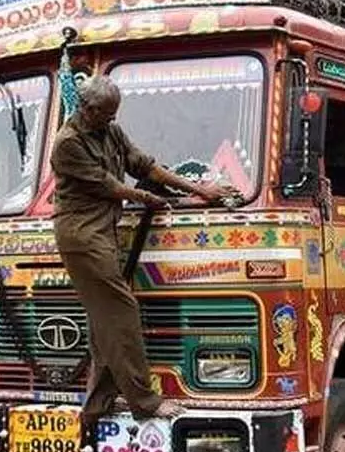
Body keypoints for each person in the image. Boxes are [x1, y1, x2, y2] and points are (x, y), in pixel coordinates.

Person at [50, 76, 231, 422]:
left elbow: (143, 165)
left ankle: (98, 404)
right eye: (106, 113)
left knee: (104, 321)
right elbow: (111, 187)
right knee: (120, 313)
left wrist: (196, 188)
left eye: (115, 113)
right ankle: (144, 402)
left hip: (103, 231)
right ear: (86, 109)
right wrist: (149, 198)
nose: (112, 120)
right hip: (81, 234)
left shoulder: (110, 131)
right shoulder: (67, 144)